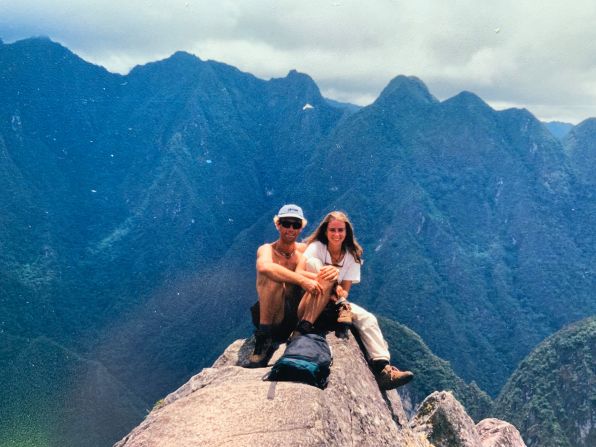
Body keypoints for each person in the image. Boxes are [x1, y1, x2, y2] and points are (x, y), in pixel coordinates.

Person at [295, 211, 414, 390]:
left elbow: (346, 291)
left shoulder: (351, 256)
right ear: (325, 231)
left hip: (335, 303)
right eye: (332, 230)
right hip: (311, 301)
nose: (336, 234)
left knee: (368, 318)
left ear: (347, 232)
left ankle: (383, 369)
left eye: (340, 230)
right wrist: (330, 279)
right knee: (316, 265)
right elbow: (298, 273)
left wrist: (337, 289)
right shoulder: (317, 247)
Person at [248, 204, 338, 367]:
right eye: (286, 223)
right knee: (272, 277)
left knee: (327, 275)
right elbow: (265, 267)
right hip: (274, 314)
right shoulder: (267, 249)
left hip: (298, 314)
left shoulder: (304, 251)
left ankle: (302, 329)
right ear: (278, 225)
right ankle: (264, 337)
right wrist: (302, 280)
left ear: (301, 228)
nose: (291, 228)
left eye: (296, 225)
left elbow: (326, 270)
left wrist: (331, 272)